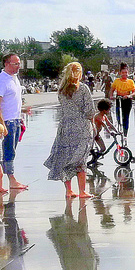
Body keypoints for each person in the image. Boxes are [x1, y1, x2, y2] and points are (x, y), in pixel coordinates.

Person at [44, 62, 94, 200]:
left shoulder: (61, 90)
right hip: (82, 126)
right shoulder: (83, 88)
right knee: (81, 159)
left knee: (66, 157)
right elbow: (90, 110)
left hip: (66, 126)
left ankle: (69, 190)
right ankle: (82, 191)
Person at [0, 53, 28, 194]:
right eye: (15, 64)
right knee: (8, 151)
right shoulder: (1, 80)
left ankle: (6, 178)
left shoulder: (14, 78)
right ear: (6, 64)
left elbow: (13, 101)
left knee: (11, 151)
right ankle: (11, 179)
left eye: (19, 63)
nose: (19, 66)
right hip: (7, 121)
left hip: (16, 119)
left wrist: (22, 112)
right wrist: (2, 125)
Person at [110, 63, 135, 136]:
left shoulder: (130, 82)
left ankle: (125, 133)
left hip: (127, 100)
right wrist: (111, 96)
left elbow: (134, 92)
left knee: (126, 116)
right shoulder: (116, 81)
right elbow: (111, 90)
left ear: (128, 73)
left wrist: (129, 95)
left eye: (126, 72)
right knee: (118, 115)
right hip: (119, 99)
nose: (124, 74)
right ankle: (119, 127)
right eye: (123, 73)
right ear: (120, 73)